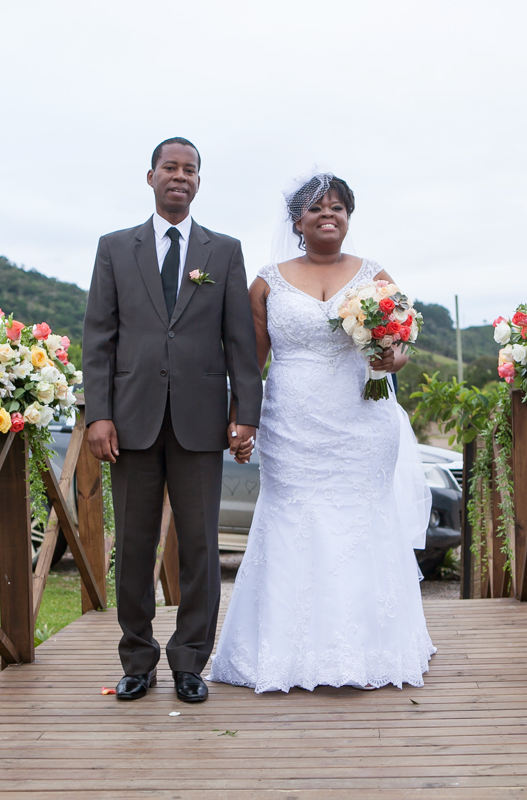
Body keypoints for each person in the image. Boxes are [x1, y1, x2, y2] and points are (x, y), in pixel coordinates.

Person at [208, 172, 436, 693]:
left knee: (361, 521)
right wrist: (240, 418)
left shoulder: (376, 277)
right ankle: (284, 652)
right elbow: (252, 361)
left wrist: (392, 357)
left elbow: (396, 351)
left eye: (338, 207)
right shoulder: (268, 281)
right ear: (298, 221)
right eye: (316, 208)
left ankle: (367, 649)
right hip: (291, 424)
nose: (328, 214)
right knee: (292, 519)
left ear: (348, 218)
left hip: (361, 422)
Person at [83, 137, 264, 703]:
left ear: (198, 182)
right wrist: (99, 414)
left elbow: (240, 342)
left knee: (200, 547)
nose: (179, 176)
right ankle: (137, 660)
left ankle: (190, 661)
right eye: (170, 167)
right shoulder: (115, 248)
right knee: (134, 547)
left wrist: (245, 414)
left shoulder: (224, 251)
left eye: (190, 170)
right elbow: (99, 339)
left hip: (200, 423)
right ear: (151, 176)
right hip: (131, 423)